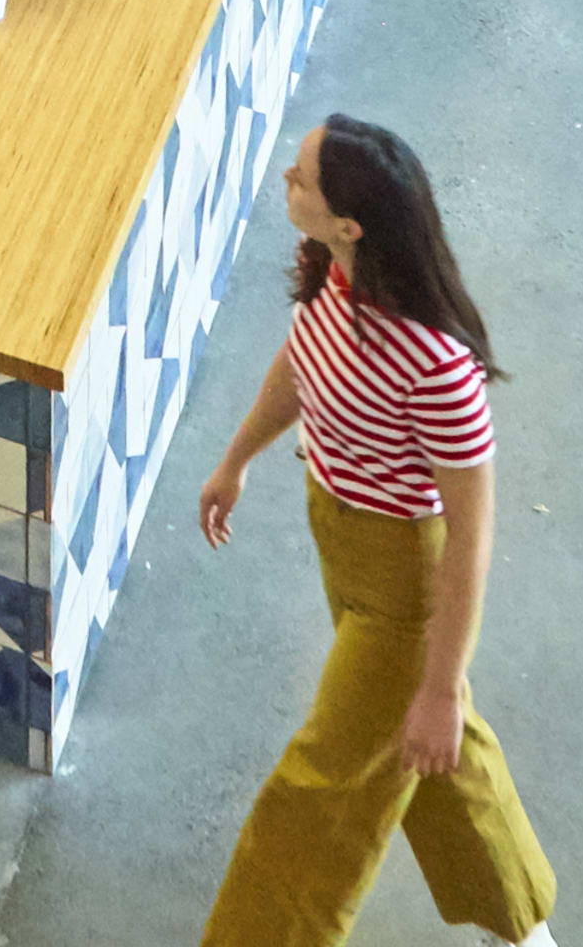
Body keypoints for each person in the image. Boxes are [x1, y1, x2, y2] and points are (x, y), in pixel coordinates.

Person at [194, 117, 559, 947]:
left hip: (405, 585)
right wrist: (237, 458)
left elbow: (470, 536)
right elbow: (298, 370)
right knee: (433, 754)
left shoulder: (435, 365)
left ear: (349, 223)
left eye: (301, 178)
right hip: (341, 540)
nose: (286, 177)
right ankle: (525, 928)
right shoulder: (333, 280)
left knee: (320, 791)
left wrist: (439, 680)